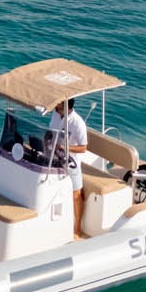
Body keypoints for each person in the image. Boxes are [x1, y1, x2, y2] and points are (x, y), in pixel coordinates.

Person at [49, 98, 90, 231]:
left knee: (76, 193)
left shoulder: (78, 123)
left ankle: (77, 228)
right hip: (54, 157)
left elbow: (83, 148)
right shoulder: (55, 114)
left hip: (71, 162)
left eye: (59, 105)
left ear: (67, 107)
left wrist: (64, 147)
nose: (56, 106)